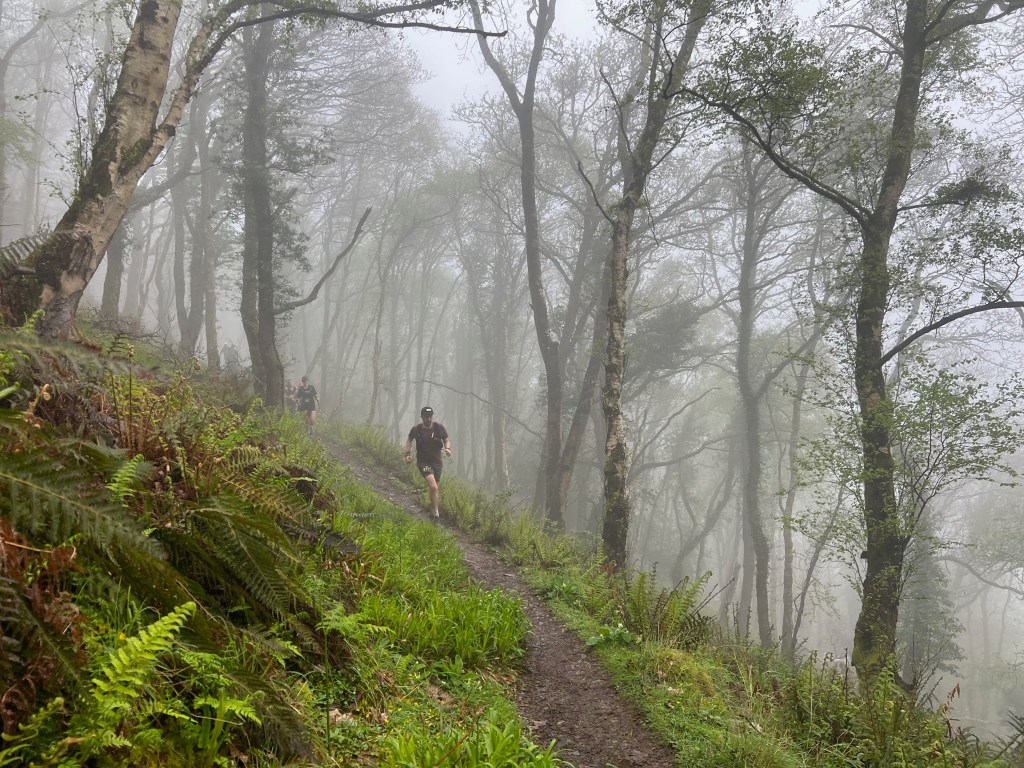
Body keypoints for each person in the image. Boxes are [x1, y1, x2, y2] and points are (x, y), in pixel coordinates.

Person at [405, 406, 451, 519]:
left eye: (430, 416)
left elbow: (446, 439)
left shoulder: (439, 427)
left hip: (437, 463)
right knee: (433, 487)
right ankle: (436, 514)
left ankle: (432, 508)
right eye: (426, 417)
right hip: (423, 463)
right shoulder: (416, 429)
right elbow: (409, 439)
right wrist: (408, 453)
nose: (429, 419)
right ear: (422, 417)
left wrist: (448, 448)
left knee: (434, 488)